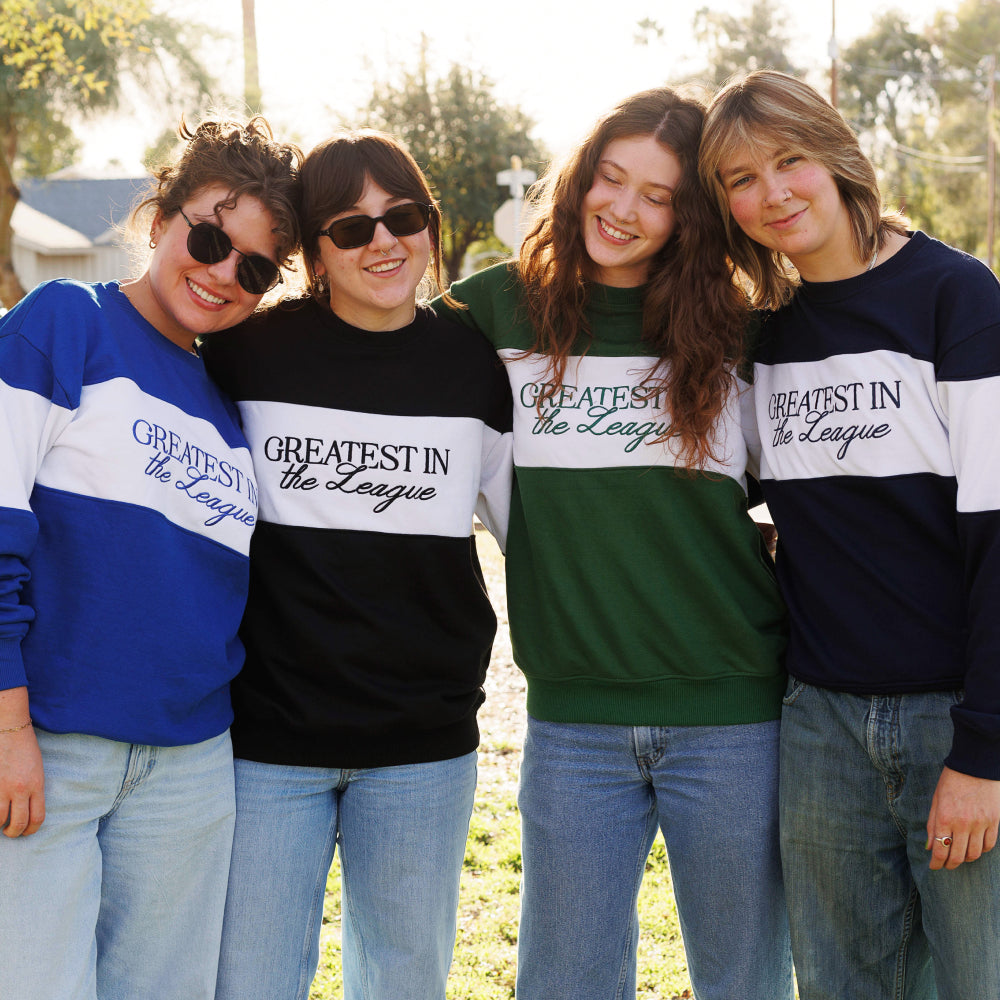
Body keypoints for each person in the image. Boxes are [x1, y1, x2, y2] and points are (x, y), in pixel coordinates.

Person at [435, 87, 792, 1000]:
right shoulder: (494, 317)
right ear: (581, 177)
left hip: (733, 715)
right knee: (564, 981)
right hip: (572, 722)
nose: (624, 210)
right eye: (611, 178)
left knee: (743, 978)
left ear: (691, 216)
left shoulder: (742, 339)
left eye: (659, 195)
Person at [699, 69, 1000, 1000]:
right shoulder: (765, 338)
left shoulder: (957, 296)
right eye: (740, 180)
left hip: (954, 715)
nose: (772, 193)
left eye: (789, 161)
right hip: (819, 722)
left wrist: (984, 753)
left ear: (836, 156)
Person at [201, 129, 513, 1000]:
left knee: (404, 983)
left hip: (421, 746)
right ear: (314, 254)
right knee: (250, 980)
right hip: (266, 743)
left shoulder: (477, 366)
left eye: (402, 216)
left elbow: (531, 530)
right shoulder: (244, 355)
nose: (382, 241)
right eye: (350, 228)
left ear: (429, 226)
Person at [0, 115, 300, 1000]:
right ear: (160, 212)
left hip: (191, 766)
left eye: (254, 268)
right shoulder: (65, 322)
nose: (221, 274)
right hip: (51, 746)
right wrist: (9, 728)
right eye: (210, 236)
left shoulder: (229, 410)